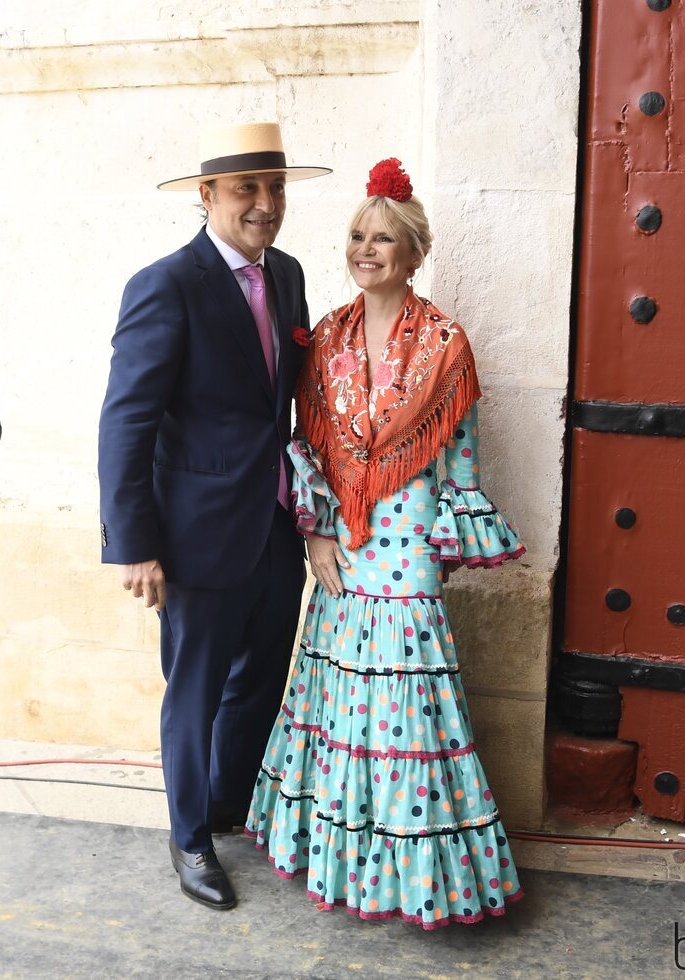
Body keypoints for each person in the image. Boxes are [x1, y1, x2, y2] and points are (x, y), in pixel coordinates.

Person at [246, 159, 527, 930]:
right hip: (341, 534)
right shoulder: (327, 333)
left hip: (407, 533)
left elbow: (460, 452)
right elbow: (305, 437)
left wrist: (443, 542)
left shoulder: (444, 340)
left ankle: (417, 876)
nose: (366, 249)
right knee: (341, 694)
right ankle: (342, 861)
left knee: (402, 696)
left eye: (383, 238)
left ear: (412, 252)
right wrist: (316, 531)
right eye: (357, 236)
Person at [98, 122, 331, 911]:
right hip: (194, 535)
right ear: (206, 197)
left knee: (260, 680)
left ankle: (230, 805)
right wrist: (134, 544)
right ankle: (190, 836)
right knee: (194, 690)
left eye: (275, 188)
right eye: (246, 190)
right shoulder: (166, 284)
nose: (264, 205)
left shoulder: (291, 275)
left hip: (273, 525)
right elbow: (126, 422)